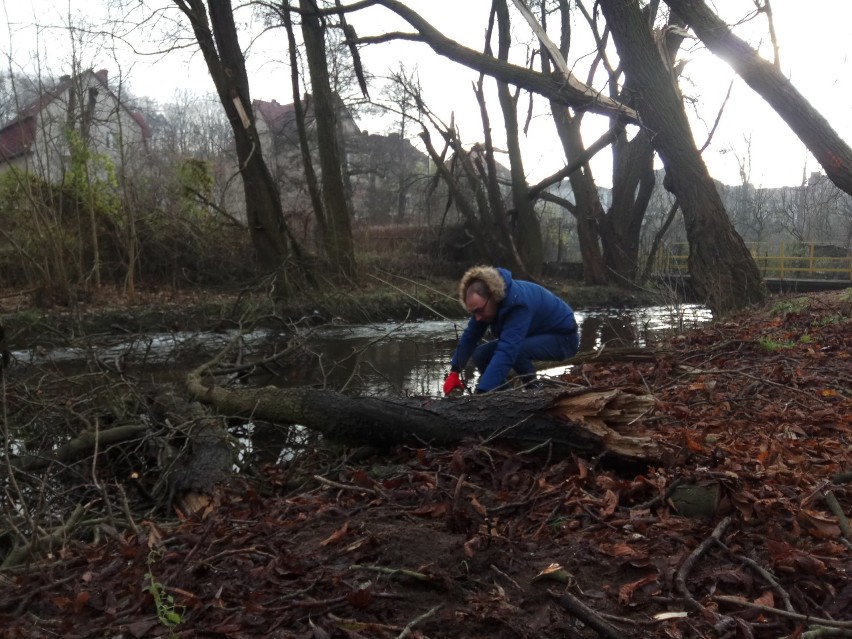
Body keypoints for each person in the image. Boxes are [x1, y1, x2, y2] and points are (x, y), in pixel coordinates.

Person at [442, 265, 579, 395]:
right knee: (480, 355)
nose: (477, 318)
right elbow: (470, 336)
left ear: (493, 296)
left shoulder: (517, 304)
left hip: (564, 338)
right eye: (473, 313)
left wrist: (482, 391)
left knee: (516, 350)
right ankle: (504, 396)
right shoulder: (486, 306)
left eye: (479, 311)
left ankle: (535, 391)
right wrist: (455, 371)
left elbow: (508, 350)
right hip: (535, 334)